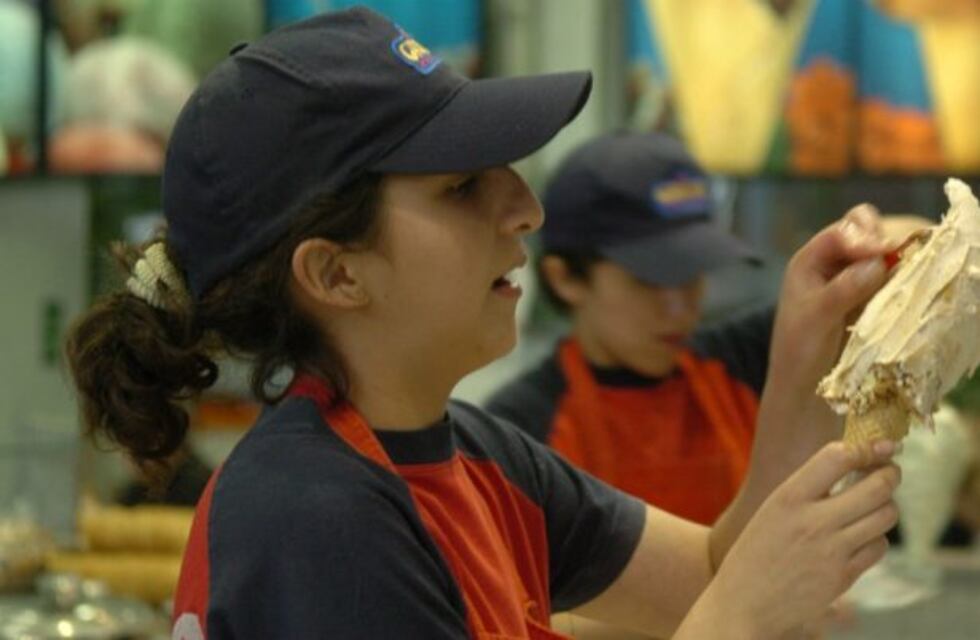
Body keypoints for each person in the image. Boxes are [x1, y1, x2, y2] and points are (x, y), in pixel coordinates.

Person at [65, 8, 900, 639]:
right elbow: (731, 597)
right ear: (335, 272)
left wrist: (806, 348)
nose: (525, 209)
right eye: (462, 187)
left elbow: (715, 568)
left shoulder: (473, 454)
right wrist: (741, 621)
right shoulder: (313, 519)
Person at [486, 131, 771, 525]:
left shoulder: (746, 363)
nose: (679, 308)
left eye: (692, 272)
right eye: (649, 279)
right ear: (565, 278)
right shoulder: (518, 435)